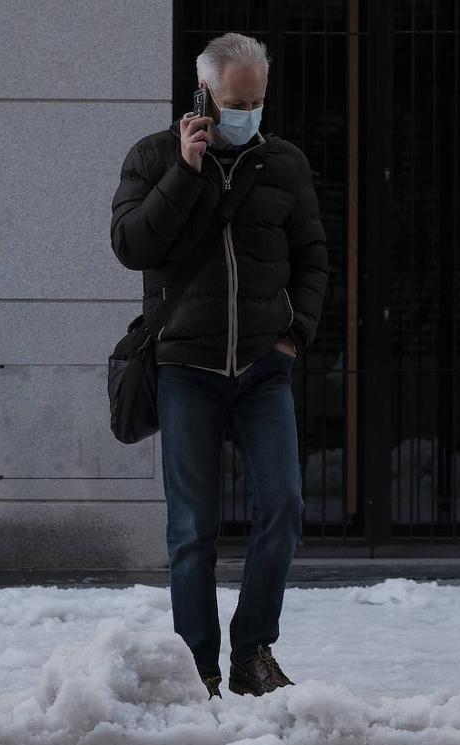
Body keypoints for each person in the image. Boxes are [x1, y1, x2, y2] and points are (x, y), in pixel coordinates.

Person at [109, 32, 330, 700]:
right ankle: (197, 665)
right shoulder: (152, 157)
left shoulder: (284, 164)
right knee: (192, 527)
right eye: (237, 102)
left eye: (258, 102)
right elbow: (130, 244)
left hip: (263, 368)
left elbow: (313, 257)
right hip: (186, 367)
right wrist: (186, 169)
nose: (249, 114)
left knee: (285, 507)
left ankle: (252, 650)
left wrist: (296, 336)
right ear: (204, 94)